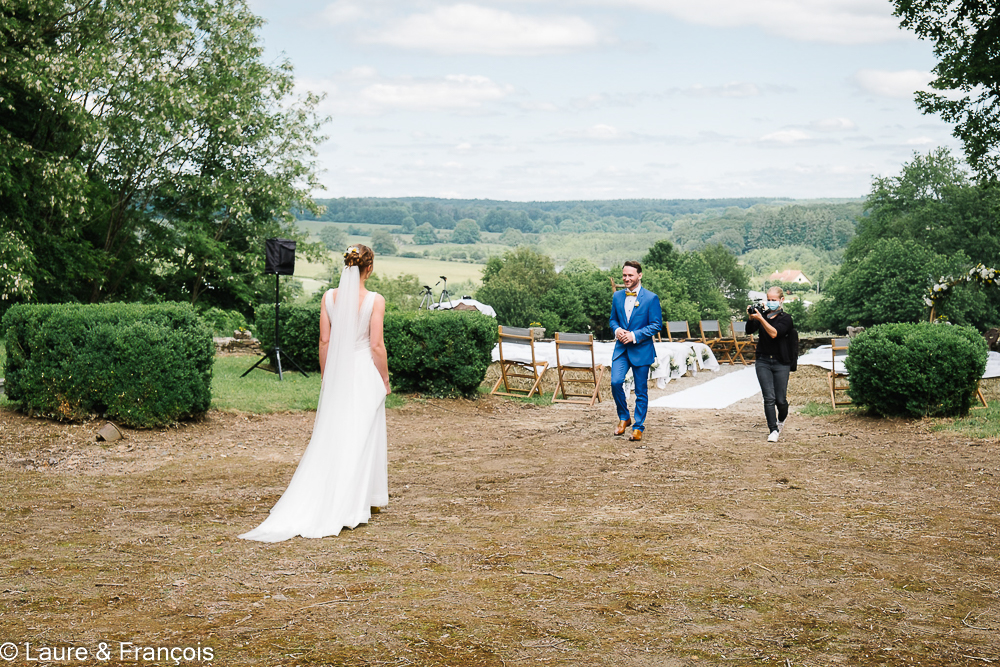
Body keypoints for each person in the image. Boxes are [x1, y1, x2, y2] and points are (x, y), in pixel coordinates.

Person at [240, 244, 391, 542]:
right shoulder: (375, 300)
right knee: (361, 434)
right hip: (363, 372)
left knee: (335, 433)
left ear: (347, 265)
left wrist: (326, 374)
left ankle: (348, 495)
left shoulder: (329, 297)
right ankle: (358, 500)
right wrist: (384, 379)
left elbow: (324, 341)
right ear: (370, 268)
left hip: (338, 373)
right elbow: (376, 345)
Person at [609, 260, 662, 442]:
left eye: (630, 275)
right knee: (615, 382)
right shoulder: (617, 296)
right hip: (621, 349)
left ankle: (638, 427)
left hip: (641, 349)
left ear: (639, 275)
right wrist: (617, 330)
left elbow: (656, 325)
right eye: (624, 275)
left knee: (641, 390)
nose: (626, 278)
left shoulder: (651, 298)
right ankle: (624, 417)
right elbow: (613, 320)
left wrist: (634, 335)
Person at [746, 286, 794, 443]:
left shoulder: (786, 319)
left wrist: (761, 319)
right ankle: (773, 430)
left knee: (780, 400)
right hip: (763, 360)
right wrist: (752, 317)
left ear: (781, 300)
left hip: (781, 362)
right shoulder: (763, 315)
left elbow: (774, 333)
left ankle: (781, 419)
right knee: (769, 398)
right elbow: (749, 330)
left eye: (774, 300)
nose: (770, 302)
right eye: (768, 299)